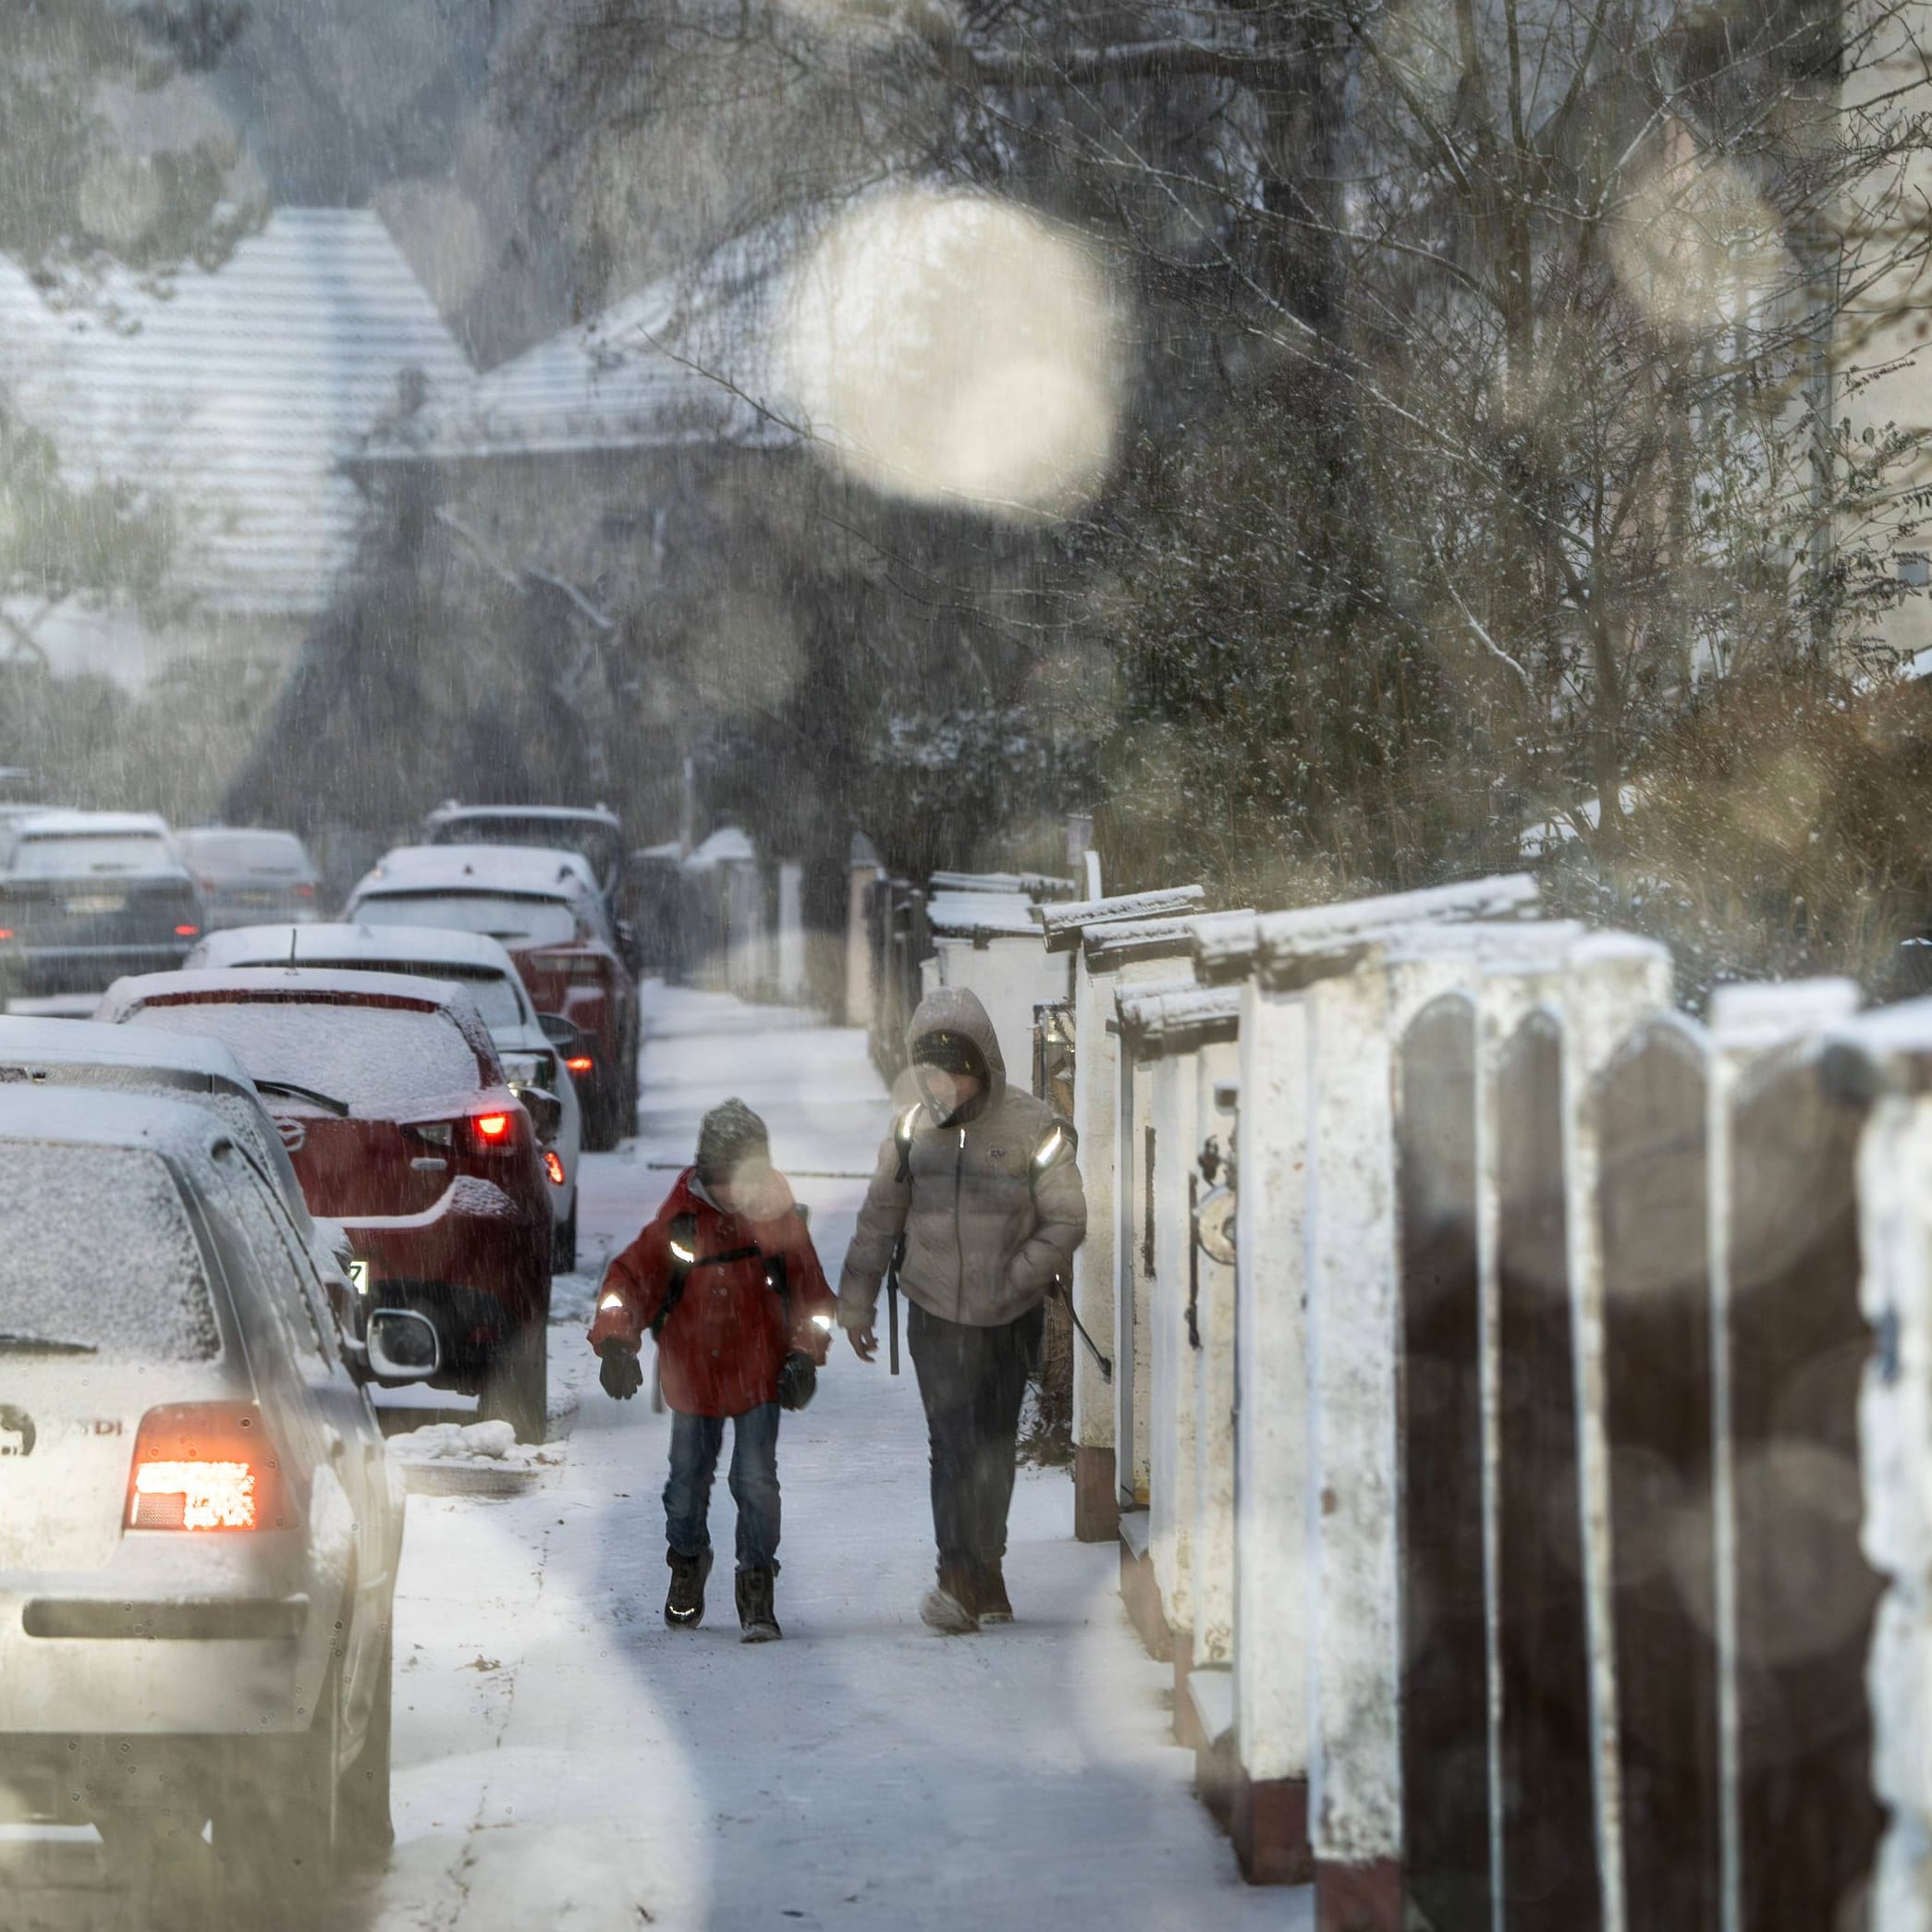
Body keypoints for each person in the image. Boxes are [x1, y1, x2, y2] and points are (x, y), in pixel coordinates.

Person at [838, 987, 1087, 1632]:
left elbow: (1066, 1219)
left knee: (994, 1445)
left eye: (957, 1067)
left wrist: (1018, 1276)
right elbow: (877, 1221)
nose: (944, 1082)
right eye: (932, 1069)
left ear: (984, 1062)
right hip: (934, 1313)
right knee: (950, 1444)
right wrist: (856, 1304)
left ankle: (988, 1569)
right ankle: (955, 1576)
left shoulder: (1033, 1127)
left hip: (1009, 1318)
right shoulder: (909, 1130)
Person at [590, 1099, 835, 1642]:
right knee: (685, 1486)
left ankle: (755, 1582)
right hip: (692, 1377)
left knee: (755, 1482)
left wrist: (803, 1352)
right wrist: (615, 1345)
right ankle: (687, 1560)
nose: (732, 1195)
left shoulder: (779, 1223)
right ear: (704, 1174)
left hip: (758, 1374)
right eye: (721, 1181)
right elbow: (627, 1282)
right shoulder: (679, 1223)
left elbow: (813, 1297)